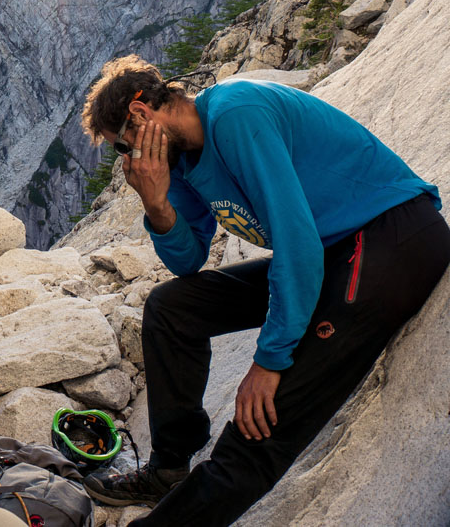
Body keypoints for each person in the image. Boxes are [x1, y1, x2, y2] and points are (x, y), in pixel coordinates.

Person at [77, 56, 449, 526]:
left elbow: (298, 246)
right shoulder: (186, 157)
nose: (128, 160)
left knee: (260, 426)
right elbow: (188, 260)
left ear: (140, 114)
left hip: (392, 240)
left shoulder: (235, 115)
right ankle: (169, 470)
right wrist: (156, 203)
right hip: (333, 254)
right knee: (171, 309)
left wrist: (270, 360)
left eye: (122, 146)